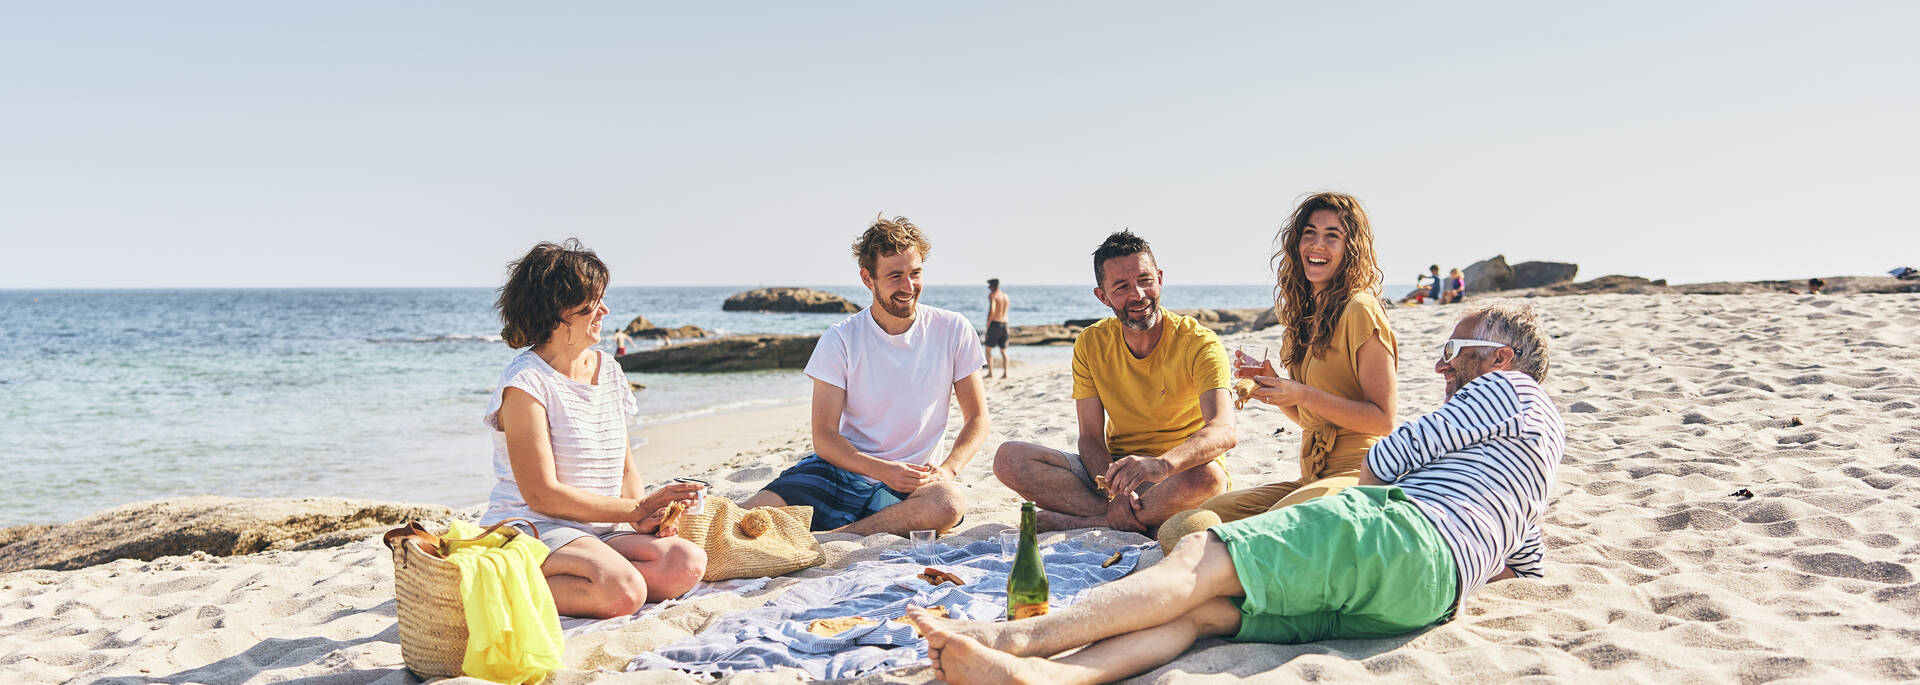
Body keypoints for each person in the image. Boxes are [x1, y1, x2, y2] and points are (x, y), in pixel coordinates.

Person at [907, 303, 1565, 685]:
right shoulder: (1535, 454)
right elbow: (1522, 560)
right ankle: (1049, 678)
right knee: (1209, 614)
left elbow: (1390, 455)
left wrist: (1374, 504)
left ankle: (1013, 641)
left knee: (1198, 562)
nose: (1444, 364)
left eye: (1457, 349)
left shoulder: (1507, 390)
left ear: (1501, 360)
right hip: (1427, 598)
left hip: (1397, 533)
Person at [481, 240, 707, 619]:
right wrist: (635, 509)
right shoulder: (525, 384)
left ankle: (589, 580)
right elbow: (542, 495)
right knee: (624, 592)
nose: (604, 311)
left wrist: (645, 518)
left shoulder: (609, 369)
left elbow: (624, 468)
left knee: (686, 562)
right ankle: (494, 583)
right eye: (590, 305)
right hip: (534, 527)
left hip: (598, 528)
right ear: (554, 312)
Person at [740, 214, 989, 536]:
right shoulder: (840, 338)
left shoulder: (953, 329)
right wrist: (883, 470)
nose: (908, 286)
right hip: (842, 470)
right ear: (867, 278)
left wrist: (948, 470)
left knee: (947, 504)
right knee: (741, 520)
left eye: (915, 273)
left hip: (914, 483)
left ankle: (840, 537)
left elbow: (978, 418)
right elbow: (825, 436)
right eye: (895, 276)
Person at [1172, 192, 1397, 540]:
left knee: (1266, 531)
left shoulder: (1360, 309)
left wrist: (1302, 393)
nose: (1317, 244)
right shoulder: (1303, 319)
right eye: (1309, 233)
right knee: (1204, 517)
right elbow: (1310, 418)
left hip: (1360, 474)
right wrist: (1275, 389)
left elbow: (1383, 419)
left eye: (1332, 235)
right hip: (1312, 476)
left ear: (1351, 248)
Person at [992, 230, 1235, 534]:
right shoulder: (1091, 343)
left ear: (1159, 278)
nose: (1138, 295)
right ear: (1102, 296)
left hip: (1179, 472)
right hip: (1112, 472)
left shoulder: (1199, 343)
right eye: (1122, 287)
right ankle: (1116, 513)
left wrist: (1161, 465)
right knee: (1008, 458)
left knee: (1209, 479)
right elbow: (1091, 438)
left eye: (1145, 280)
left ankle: (1091, 521)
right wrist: (1114, 489)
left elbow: (1223, 431)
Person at [984, 278, 1011, 379]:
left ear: (993, 286)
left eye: (989, 286)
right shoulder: (1006, 296)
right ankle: (1005, 373)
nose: (988, 288)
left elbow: (992, 310)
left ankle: (990, 373)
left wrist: (988, 323)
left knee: (988, 349)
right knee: (1003, 351)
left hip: (995, 324)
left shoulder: (993, 295)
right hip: (1005, 324)